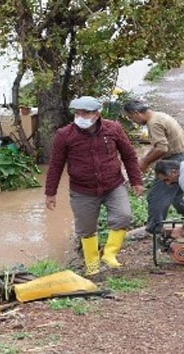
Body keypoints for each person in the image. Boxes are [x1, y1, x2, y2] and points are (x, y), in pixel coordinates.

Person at [45, 96, 144, 276]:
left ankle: (110, 254)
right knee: (86, 228)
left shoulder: (113, 129)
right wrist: (50, 193)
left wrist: (136, 181)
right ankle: (92, 265)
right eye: (77, 112)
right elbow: (56, 165)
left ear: (97, 113)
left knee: (123, 215)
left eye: (86, 113)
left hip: (113, 184)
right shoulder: (64, 135)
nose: (81, 116)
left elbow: (129, 155)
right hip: (82, 190)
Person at [122, 100, 184, 234]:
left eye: (131, 117)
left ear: (136, 113)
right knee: (176, 195)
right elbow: (159, 146)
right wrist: (145, 159)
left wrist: (145, 162)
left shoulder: (154, 123)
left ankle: (154, 228)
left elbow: (162, 148)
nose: (133, 121)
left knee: (155, 196)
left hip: (174, 160)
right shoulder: (159, 115)